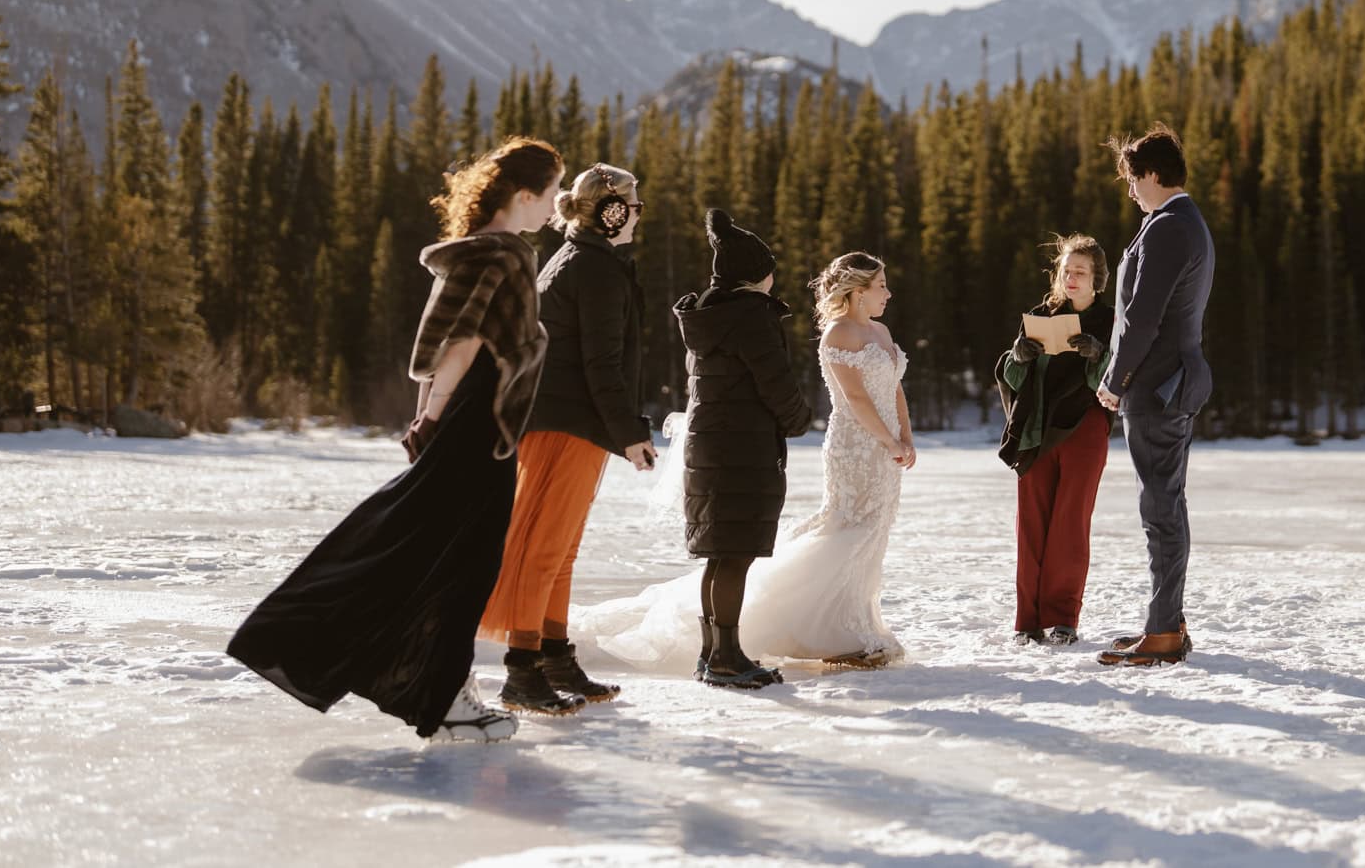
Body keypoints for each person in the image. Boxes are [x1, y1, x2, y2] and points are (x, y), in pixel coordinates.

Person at [228, 137, 562, 743]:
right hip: (479, 427)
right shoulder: (503, 255)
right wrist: (433, 419)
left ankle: (436, 688)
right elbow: (458, 346)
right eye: (552, 193)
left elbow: (445, 349)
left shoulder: (477, 252)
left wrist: (431, 415)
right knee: (460, 559)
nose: (556, 206)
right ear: (523, 195)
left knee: (425, 545)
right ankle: (443, 699)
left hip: (473, 421)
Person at [575, 249, 910, 673]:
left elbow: (893, 388)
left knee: (871, 531)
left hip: (880, 447)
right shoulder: (835, 335)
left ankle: (851, 623)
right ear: (857, 292)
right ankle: (803, 630)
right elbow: (855, 398)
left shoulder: (879, 332)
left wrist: (904, 436)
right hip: (854, 447)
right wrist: (878, 437)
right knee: (844, 529)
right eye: (880, 285)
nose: (888, 292)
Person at [478, 162, 654, 714]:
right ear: (612, 212)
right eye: (633, 204)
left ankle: (553, 653)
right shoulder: (594, 268)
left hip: (570, 421)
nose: (639, 215)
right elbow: (600, 362)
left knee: (562, 546)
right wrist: (629, 433)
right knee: (545, 546)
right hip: (566, 423)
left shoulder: (584, 259)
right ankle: (521, 670)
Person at [676, 209, 814, 687]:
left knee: (721, 552)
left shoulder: (710, 316)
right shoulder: (750, 316)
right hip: (743, 450)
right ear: (756, 274)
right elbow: (775, 382)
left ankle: (713, 652)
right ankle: (726, 659)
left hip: (711, 448)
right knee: (734, 554)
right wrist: (800, 420)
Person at [1095, 123, 1215, 668]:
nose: (1130, 191)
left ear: (1151, 173)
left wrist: (1115, 379)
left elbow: (1143, 319)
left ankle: (1165, 630)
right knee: (1165, 501)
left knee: (1161, 506)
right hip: (1171, 382)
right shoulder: (1180, 222)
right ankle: (1168, 620)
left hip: (1158, 385)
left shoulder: (1169, 226)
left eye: (1131, 179)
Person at [996, 234, 1114, 646]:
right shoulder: (1039, 315)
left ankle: (1062, 618)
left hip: (1085, 429)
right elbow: (1011, 377)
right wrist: (1018, 357)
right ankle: (1026, 622)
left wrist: (1098, 355)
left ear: (1098, 278)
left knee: (1069, 524)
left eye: (1080, 272)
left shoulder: (1112, 322)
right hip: (1037, 430)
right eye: (1066, 271)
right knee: (1031, 526)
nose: (1071, 278)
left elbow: (1117, 387)